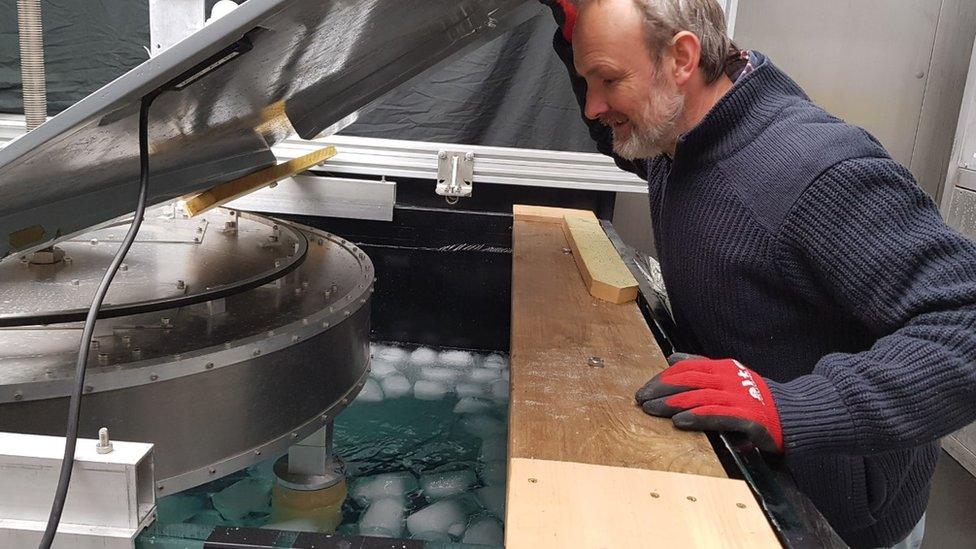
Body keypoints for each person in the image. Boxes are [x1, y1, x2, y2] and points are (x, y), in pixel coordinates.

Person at [541, 1, 976, 547]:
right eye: (589, 80)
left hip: (844, 520)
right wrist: (569, 25)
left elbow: (965, 326)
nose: (593, 106)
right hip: (757, 483)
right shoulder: (678, 135)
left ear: (681, 58)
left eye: (608, 79)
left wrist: (786, 408)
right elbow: (622, 138)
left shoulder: (816, 169)